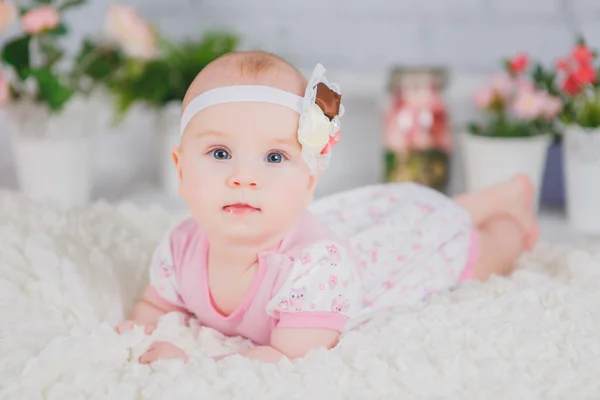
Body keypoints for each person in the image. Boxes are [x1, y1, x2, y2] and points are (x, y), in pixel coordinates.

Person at [116, 51, 539, 364]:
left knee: (471, 247)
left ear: (309, 181)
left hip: (398, 259)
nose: (244, 178)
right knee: (427, 213)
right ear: (181, 170)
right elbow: (156, 304)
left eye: (275, 158)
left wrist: (190, 366)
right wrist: (138, 330)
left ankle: (510, 210)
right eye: (220, 153)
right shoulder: (180, 245)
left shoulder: (316, 270)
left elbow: (284, 358)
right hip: (364, 223)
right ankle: (497, 196)